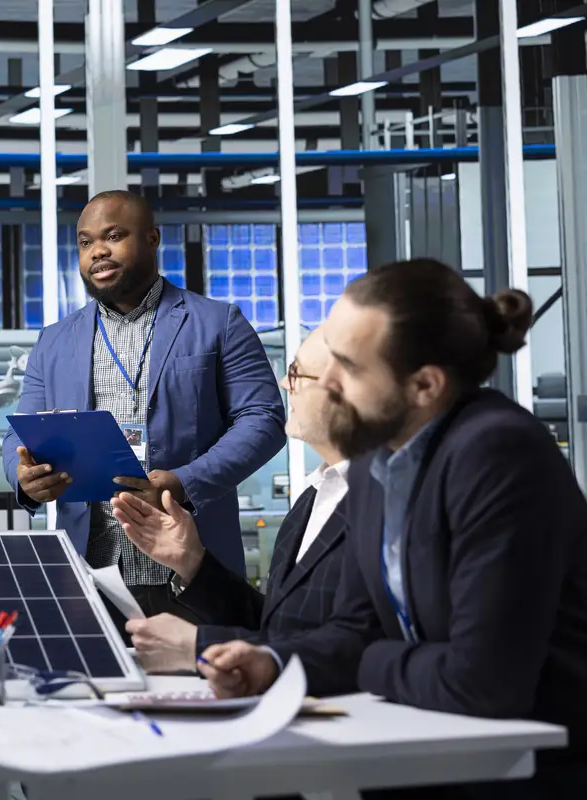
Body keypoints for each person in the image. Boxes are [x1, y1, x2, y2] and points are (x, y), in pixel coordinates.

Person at [197, 259, 587, 796]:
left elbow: (481, 684)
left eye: (349, 367)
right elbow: (356, 630)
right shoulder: (376, 459)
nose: (327, 383)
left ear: (425, 385)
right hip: (425, 757)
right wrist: (270, 662)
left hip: (522, 775)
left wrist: (370, 659)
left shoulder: (497, 453)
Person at [2, 190, 285, 623]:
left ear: (152, 239)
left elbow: (264, 419)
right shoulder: (54, 341)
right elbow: (18, 435)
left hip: (191, 567)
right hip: (89, 574)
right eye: (84, 242)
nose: (98, 251)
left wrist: (184, 482)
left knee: (201, 689)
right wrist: (24, 478)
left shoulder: (218, 323)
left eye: (114, 235)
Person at [111, 327, 350, 672]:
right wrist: (193, 561)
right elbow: (272, 629)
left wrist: (199, 645)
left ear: (350, 389)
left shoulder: (389, 502)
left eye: (296, 372)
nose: (284, 383)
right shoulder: (312, 500)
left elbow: (360, 647)